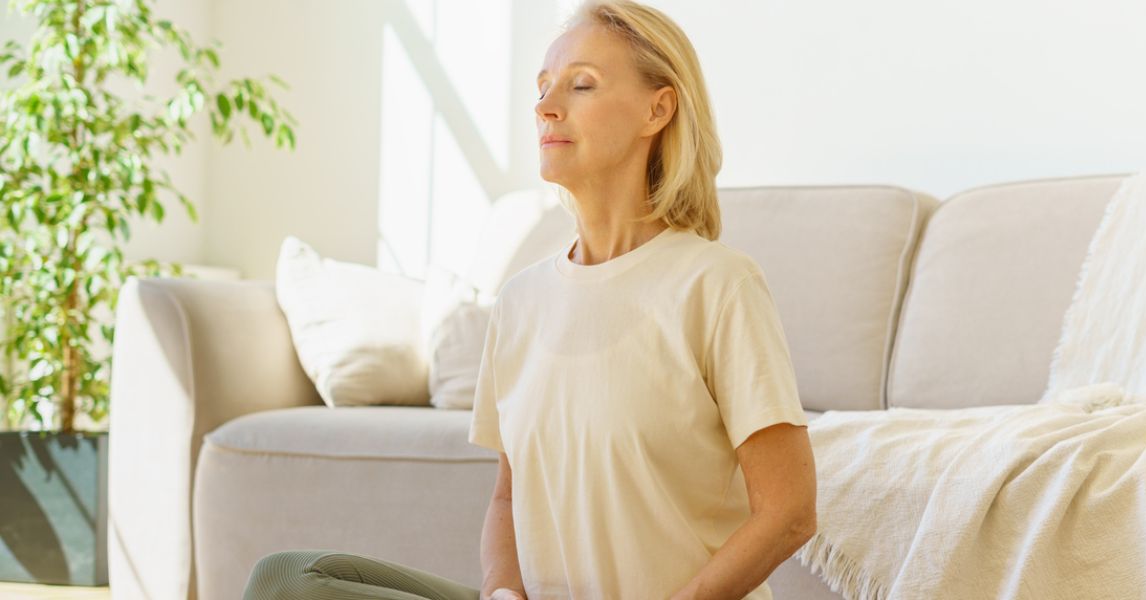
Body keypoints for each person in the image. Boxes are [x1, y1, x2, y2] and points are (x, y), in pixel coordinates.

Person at [242, 1, 817, 599]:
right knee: (288, 580)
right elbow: (508, 495)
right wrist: (501, 592)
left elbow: (790, 510)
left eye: (581, 84)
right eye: (542, 88)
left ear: (658, 108)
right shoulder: (520, 301)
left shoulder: (717, 285)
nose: (545, 107)